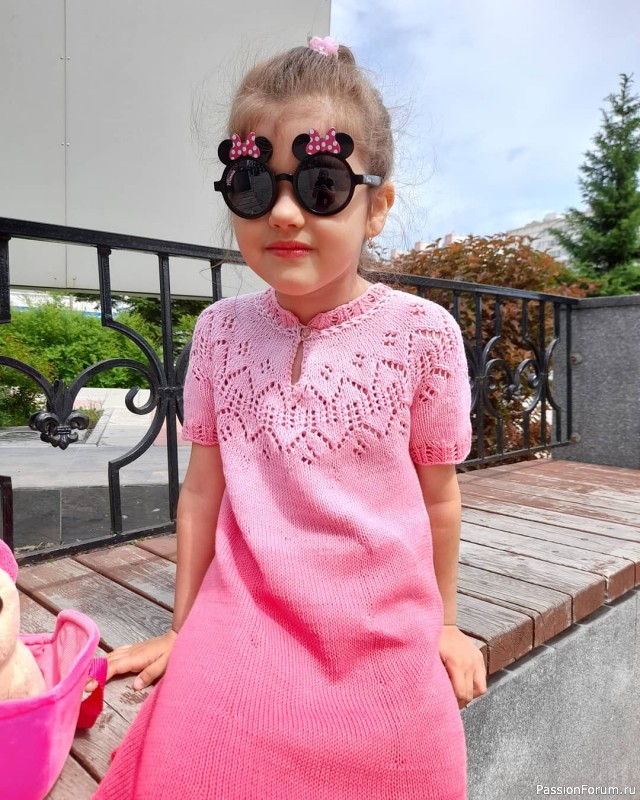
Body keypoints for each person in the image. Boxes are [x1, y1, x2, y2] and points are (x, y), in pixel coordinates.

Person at [93, 36, 487, 800]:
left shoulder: (423, 335)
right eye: (251, 184)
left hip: (385, 632)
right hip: (240, 617)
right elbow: (202, 492)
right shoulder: (219, 333)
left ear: (377, 207)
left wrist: (444, 624)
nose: (282, 212)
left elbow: (440, 498)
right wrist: (182, 629)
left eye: (320, 184)